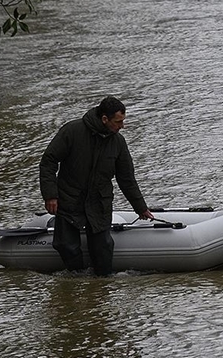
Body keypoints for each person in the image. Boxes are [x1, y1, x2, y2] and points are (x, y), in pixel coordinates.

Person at [39, 96, 154, 276]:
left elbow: (126, 178)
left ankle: (100, 290)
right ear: (104, 119)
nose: (122, 126)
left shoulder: (118, 143)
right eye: (118, 122)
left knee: (103, 248)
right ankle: (76, 279)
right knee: (65, 245)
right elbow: (48, 162)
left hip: (99, 202)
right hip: (69, 199)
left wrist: (140, 207)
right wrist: (50, 195)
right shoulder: (72, 131)